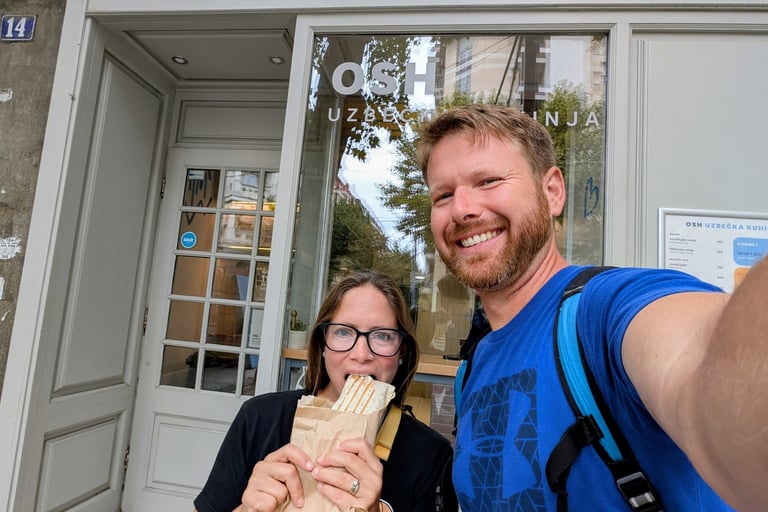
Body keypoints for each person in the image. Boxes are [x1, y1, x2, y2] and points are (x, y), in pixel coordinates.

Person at [416, 103, 768, 512]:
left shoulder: (607, 310)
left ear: (552, 192)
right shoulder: (471, 370)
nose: (462, 209)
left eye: (489, 181)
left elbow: (704, 360)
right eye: (444, 195)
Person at [193, 270, 456, 512]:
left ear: (402, 352)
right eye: (343, 332)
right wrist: (245, 509)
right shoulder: (260, 419)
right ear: (322, 344)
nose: (361, 354)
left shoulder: (430, 455)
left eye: (382, 336)